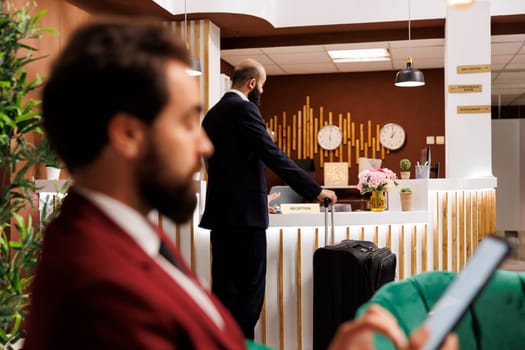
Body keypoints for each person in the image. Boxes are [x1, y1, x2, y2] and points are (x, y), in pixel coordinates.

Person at [24, 16, 457, 350]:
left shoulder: (128, 235)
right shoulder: (100, 289)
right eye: (184, 122)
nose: (204, 146)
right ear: (128, 134)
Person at [199, 57, 338, 339]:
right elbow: (272, 155)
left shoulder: (212, 115)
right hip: (246, 222)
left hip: (221, 220)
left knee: (224, 297)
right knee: (247, 300)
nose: (261, 91)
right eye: (261, 86)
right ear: (252, 84)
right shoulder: (244, 110)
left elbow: (223, 166)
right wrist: (315, 190)